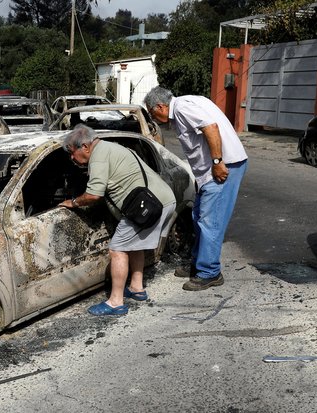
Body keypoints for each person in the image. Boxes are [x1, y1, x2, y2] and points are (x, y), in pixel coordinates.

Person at [59, 124, 176, 316]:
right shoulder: (111, 147)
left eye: (73, 153)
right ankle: (137, 288)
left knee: (117, 249)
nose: (72, 158)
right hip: (160, 199)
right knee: (133, 245)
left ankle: (115, 302)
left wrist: (73, 202)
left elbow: (93, 195)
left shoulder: (98, 157)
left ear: (86, 146)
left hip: (148, 207)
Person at [143, 86, 248, 291]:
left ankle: (210, 272)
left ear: (161, 106)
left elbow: (211, 127)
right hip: (210, 172)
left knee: (210, 220)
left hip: (224, 166)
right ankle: (199, 262)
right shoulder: (183, 106)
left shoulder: (182, 108)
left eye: (151, 111)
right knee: (198, 216)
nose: (151, 116)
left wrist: (218, 161)